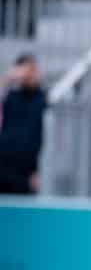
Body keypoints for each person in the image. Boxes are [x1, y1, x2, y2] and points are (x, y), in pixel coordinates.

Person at [0, 54, 46, 194]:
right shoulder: (10, 96)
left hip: (25, 172)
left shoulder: (41, 98)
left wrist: (35, 170)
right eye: (27, 69)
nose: (30, 74)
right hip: (3, 165)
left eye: (33, 69)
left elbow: (37, 138)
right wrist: (10, 77)